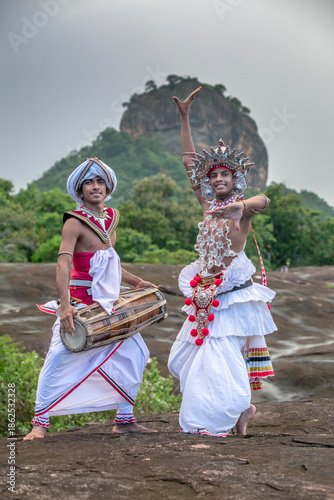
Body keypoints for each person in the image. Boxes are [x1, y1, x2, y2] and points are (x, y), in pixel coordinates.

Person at [168, 87, 277, 437]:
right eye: (213, 176)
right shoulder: (207, 206)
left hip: (229, 294)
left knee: (218, 360)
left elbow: (266, 199)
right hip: (203, 289)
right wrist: (184, 117)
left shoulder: (240, 211)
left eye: (224, 175)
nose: (217, 179)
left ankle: (212, 421)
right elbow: (189, 162)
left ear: (235, 180)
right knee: (180, 358)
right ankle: (245, 409)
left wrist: (242, 207)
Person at [24, 157, 157, 440]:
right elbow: (64, 263)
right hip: (80, 303)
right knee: (59, 356)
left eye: (100, 182)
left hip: (107, 304)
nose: (95, 187)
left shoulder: (111, 220)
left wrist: (137, 282)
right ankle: (39, 423)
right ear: (80, 190)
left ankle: (124, 419)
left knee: (136, 355)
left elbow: (110, 265)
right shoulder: (74, 222)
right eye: (89, 182)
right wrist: (64, 307)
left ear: (107, 188)